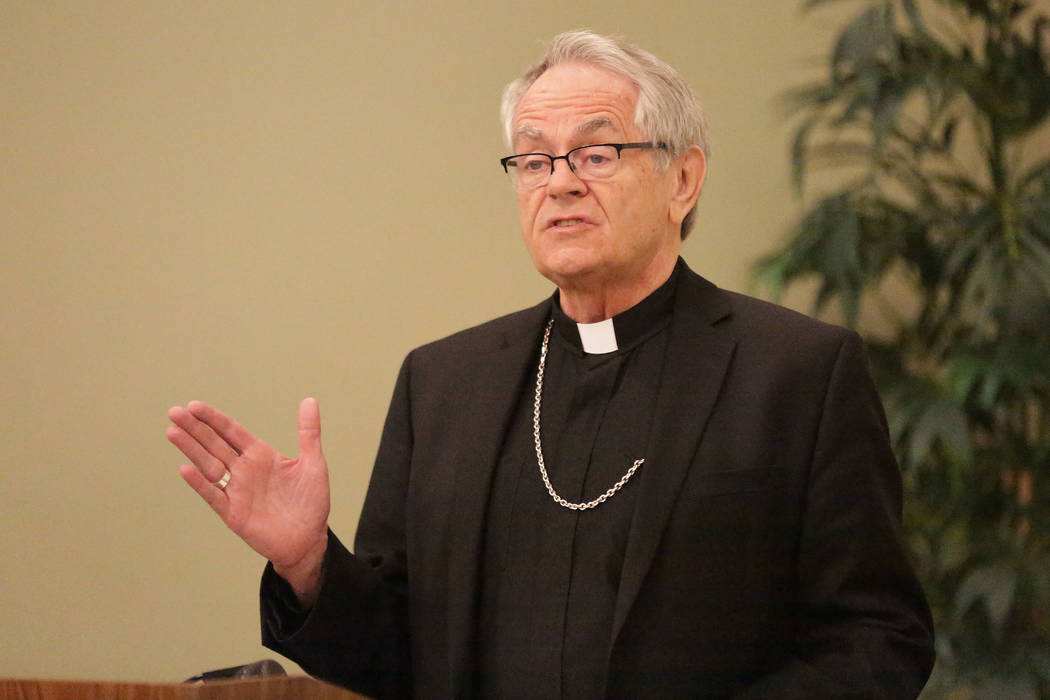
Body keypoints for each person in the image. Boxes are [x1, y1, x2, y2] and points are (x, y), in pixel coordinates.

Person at [167, 30, 935, 700]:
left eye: (596, 154)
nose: (560, 181)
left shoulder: (796, 372)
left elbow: (878, 637)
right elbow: (394, 665)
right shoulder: (443, 385)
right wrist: (309, 565)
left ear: (684, 179)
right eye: (533, 161)